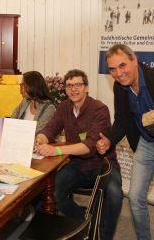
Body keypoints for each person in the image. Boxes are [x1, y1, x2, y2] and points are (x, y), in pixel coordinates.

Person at [97, 44, 154, 240]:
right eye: (112, 69)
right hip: (146, 144)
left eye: (122, 65)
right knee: (134, 198)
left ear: (134, 60)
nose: (119, 73)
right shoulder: (120, 88)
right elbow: (123, 120)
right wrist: (109, 140)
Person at [35, 69, 123, 240]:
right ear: (65, 89)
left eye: (78, 85)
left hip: (103, 164)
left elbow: (89, 146)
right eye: (69, 86)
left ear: (86, 88)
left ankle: (103, 237)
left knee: (115, 195)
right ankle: (84, 223)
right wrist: (41, 138)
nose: (73, 89)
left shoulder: (100, 109)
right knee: (52, 192)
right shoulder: (64, 107)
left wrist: (57, 150)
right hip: (78, 165)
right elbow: (50, 129)